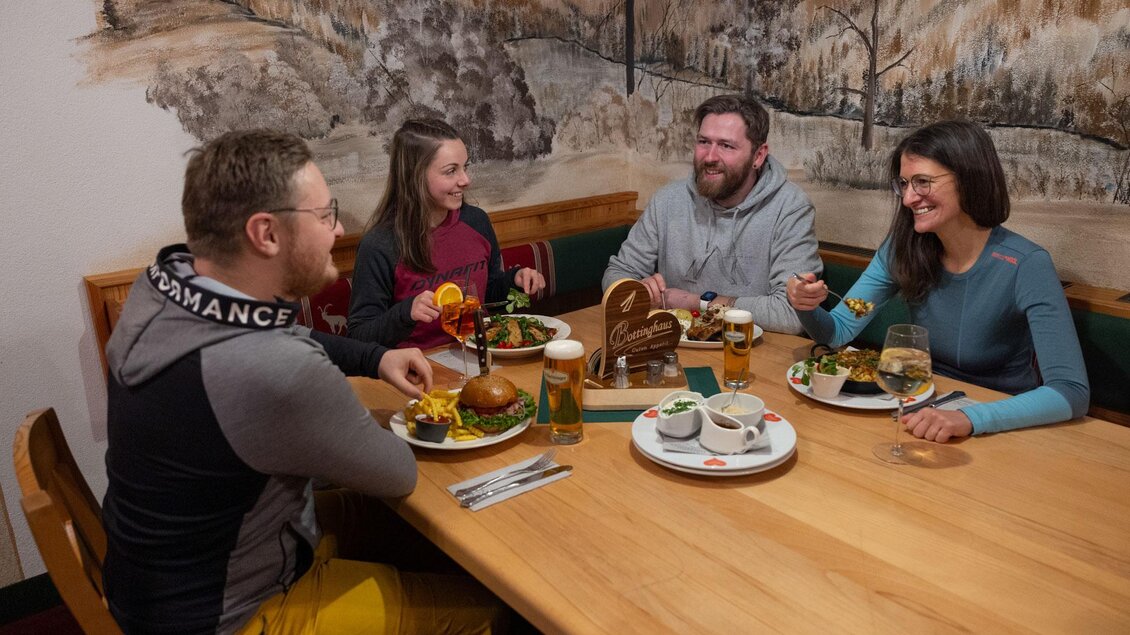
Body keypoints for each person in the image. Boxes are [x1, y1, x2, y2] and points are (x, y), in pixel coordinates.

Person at [102, 130, 507, 633]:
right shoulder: (274, 370)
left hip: (156, 581)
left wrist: (374, 357)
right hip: (232, 612)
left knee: (401, 527)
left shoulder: (162, 286)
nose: (337, 231)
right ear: (266, 234)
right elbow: (397, 473)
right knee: (492, 608)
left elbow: (286, 332)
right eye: (323, 216)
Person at [788, 120, 1090, 442]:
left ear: (969, 179)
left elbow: (1070, 392)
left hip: (1002, 424)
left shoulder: (1027, 264)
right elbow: (837, 333)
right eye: (903, 184)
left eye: (922, 182)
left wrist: (968, 419)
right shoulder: (901, 249)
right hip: (924, 413)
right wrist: (805, 305)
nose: (907, 199)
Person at [601, 93, 821, 334]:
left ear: (758, 156)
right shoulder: (668, 200)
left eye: (726, 146)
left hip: (748, 355)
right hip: (671, 348)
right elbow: (616, 275)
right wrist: (638, 291)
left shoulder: (790, 208)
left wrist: (697, 303)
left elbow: (790, 315)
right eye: (704, 142)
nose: (710, 157)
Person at [348, 119, 545, 349]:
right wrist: (405, 313)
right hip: (415, 372)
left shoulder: (477, 221)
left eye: (465, 167)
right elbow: (358, 336)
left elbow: (487, 295)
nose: (465, 180)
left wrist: (515, 281)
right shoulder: (379, 244)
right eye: (451, 171)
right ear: (416, 176)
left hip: (477, 355)